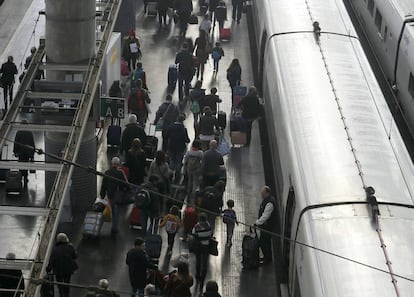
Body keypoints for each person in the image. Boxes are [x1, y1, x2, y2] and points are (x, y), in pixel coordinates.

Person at [100, 157, 129, 233]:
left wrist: (102, 195)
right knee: (116, 212)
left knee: (111, 210)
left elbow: (104, 185)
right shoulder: (120, 173)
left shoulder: (107, 172)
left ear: (112, 163)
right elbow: (126, 184)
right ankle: (114, 228)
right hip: (118, 196)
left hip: (110, 196)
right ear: (118, 164)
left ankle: (104, 226)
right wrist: (127, 190)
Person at [165, 114, 190, 183]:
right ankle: (177, 176)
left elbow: (166, 136)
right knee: (178, 161)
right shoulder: (183, 129)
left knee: (171, 160)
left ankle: (170, 174)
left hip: (171, 147)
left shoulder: (171, 127)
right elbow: (187, 140)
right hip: (180, 148)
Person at [255, 186, 276, 265]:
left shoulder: (270, 203)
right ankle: (267, 257)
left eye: (263, 193)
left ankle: (268, 259)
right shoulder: (267, 200)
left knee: (264, 242)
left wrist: (257, 223)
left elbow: (265, 216)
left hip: (267, 227)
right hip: (266, 226)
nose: (261, 194)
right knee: (265, 242)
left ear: (267, 193)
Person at [192, 213, 212, 291]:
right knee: (204, 262)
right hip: (206, 246)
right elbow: (210, 234)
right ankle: (202, 279)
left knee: (198, 260)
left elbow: (193, 233)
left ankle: (197, 274)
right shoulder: (209, 225)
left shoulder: (197, 226)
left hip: (199, 246)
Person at [13, 119, 35, 186]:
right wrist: (32, 154)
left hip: (21, 152)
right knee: (26, 165)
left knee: (21, 165)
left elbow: (16, 142)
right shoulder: (30, 132)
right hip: (27, 152)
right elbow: (32, 143)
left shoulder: (19, 132)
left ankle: (20, 179)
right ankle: (25, 178)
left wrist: (15, 151)